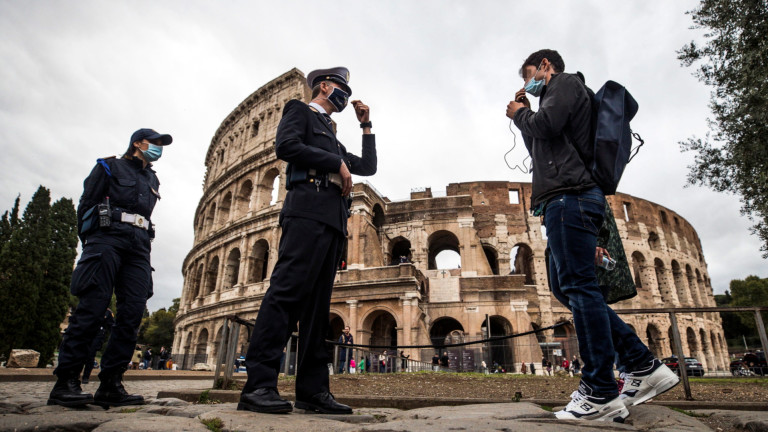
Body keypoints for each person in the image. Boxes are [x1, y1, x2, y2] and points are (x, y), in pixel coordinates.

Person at [507, 49, 679, 422]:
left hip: (570, 198)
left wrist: (521, 113)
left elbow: (546, 126)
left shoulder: (566, 84)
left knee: (580, 288)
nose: (528, 84)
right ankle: (641, 364)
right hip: (562, 200)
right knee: (565, 287)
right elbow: (541, 145)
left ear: (546, 66)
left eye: (529, 75)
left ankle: (600, 390)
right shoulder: (556, 99)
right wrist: (525, 119)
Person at [238, 67, 376, 415]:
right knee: (285, 294)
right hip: (306, 210)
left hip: (332, 220)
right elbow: (286, 147)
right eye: (341, 87)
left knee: (318, 308)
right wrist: (335, 163)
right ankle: (258, 386)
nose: (345, 94)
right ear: (325, 86)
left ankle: (312, 392)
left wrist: (365, 125)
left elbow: (369, 167)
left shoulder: (333, 134)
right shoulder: (299, 112)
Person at [48, 128, 172, 409]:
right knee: (92, 307)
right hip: (107, 239)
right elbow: (87, 205)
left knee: (132, 314)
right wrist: (91, 243)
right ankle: (66, 381)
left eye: (161, 144)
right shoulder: (108, 166)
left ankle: (111, 383)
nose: (159, 148)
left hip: (139, 245)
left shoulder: (152, 177)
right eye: (155, 143)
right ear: (138, 143)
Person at [82, 308, 114, 384]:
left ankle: (86, 376)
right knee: (81, 353)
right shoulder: (91, 306)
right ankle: (73, 376)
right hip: (86, 332)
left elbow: (111, 326)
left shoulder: (108, 312)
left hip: (98, 335)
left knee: (91, 355)